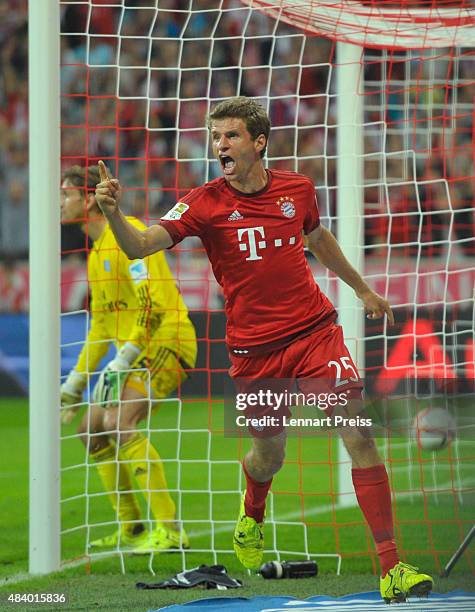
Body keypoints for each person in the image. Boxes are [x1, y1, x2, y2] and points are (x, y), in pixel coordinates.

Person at [94, 97, 433, 603]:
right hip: (254, 351)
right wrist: (113, 213)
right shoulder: (203, 201)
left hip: (315, 332)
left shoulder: (297, 189)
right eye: (215, 137)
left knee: (357, 431)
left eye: (230, 136)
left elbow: (317, 239)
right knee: (268, 455)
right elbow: (141, 246)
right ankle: (252, 514)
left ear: (258, 142)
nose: (220, 146)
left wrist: (361, 289)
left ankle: (392, 566)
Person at [60, 164, 197, 553]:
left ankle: (171, 531)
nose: (59, 203)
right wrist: (74, 384)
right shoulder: (94, 255)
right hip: (134, 354)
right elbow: (101, 328)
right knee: (90, 428)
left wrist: (122, 362)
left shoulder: (129, 234)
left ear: (88, 199)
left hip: (167, 340)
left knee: (119, 421)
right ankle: (133, 528)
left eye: (65, 194)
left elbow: (152, 306)